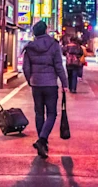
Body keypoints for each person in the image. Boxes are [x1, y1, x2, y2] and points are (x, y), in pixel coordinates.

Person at [22, 20, 69, 159]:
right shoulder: (53, 45)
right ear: (46, 31)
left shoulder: (30, 47)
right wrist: (64, 83)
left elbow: (26, 67)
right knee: (52, 113)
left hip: (36, 84)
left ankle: (42, 142)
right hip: (50, 84)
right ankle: (42, 140)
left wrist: (29, 80)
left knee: (39, 113)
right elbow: (59, 66)